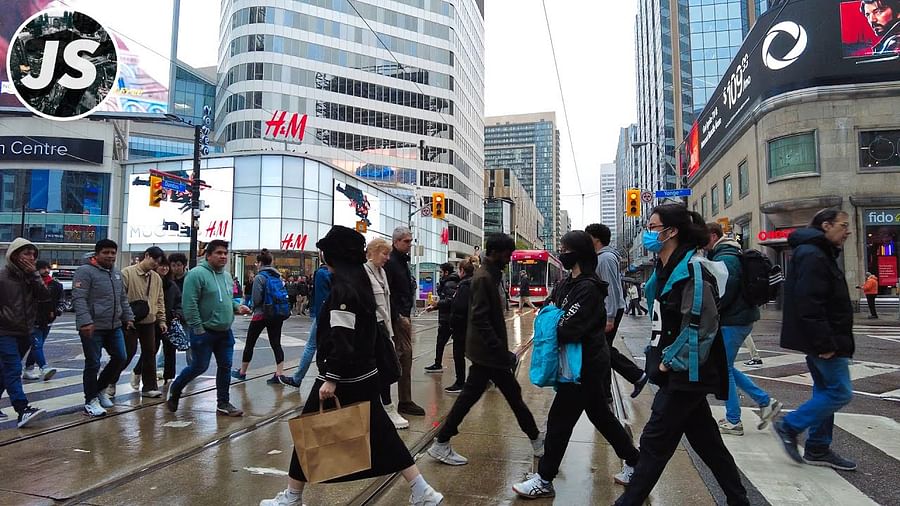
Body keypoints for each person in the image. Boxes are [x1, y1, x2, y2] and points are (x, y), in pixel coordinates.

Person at [259, 226, 443, 506]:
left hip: (343, 377)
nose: (323, 258)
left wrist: (331, 378)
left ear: (335, 256)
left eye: (326, 253)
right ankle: (422, 490)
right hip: (364, 373)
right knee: (384, 434)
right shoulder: (360, 282)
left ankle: (292, 497)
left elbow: (342, 337)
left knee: (309, 433)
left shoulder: (343, 289)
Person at [615, 204, 748, 506]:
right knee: (708, 443)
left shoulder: (693, 269)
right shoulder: (666, 269)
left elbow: (701, 327)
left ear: (671, 231)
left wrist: (666, 361)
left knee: (654, 440)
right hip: (678, 370)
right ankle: (739, 500)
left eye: (652, 227)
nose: (648, 234)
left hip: (686, 371)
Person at [513, 231, 641, 499]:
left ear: (579, 253)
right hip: (577, 364)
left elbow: (567, 327)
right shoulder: (566, 284)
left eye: (565, 248)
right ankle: (634, 461)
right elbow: (546, 311)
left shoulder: (589, 287)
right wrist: (552, 317)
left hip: (584, 366)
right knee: (601, 417)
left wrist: (552, 318)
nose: (561, 252)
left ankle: (544, 479)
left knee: (559, 421)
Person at [427, 234, 543, 467]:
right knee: (512, 396)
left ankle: (441, 441)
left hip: (487, 354)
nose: (509, 259)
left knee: (474, 398)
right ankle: (537, 441)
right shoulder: (483, 278)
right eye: (507, 254)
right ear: (496, 253)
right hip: (488, 355)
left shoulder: (491, 275)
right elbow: (480, 318)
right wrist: (500, 351)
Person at [772, 209, 858, 471]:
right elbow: (809, 303)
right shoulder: (813, 254)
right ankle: (789, 426)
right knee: (840, 392)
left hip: (828, 337)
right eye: (843, 225)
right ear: (826, 225)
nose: (848, 231)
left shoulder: (816, 252)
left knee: (825, 391)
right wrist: (824, 343)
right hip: (827, 339)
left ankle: (818, 447)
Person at [706, 223, 782, 436]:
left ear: (713, 236)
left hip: (733, 321)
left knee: (724, 369)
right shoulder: (730, 252)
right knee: (726, 366)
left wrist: (712, 311)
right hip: (739, 319)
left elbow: (723, 293)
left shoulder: (725, 257)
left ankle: (734, 420)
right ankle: (765, 401)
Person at [166, 240, 251, 417]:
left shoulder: (226, 276)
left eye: (225, 253)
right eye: (219, 253)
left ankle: (223, 403)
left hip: (225, 331)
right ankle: (176, 388)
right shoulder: (196, 275)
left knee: (226, 366)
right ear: (208, 255)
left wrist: (236, 307)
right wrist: (198, 328)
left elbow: (226, 298)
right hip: (204, 331)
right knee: (199, 366)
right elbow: (189, 304)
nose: (223, 256)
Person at [73, 239, 135, 417]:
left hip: (114, 325)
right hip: (92, 327)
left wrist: (128, 317)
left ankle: (100, 390)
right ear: (97, 254)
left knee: (121, 357)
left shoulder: (115, 273)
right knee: (93, 363)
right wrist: (85, 321)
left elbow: (122, 298)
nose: (110, 256)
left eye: (113, 253)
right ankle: (90, 400)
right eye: (106, 252)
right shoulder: (85, 271)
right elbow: (79, 298)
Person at [586, 223, 648, 400]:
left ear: (596, 239)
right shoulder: (603, 257)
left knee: (601, 351)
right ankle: (608, 391)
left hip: (608, 312)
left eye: (587, 236)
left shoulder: (605, 259)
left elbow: (611, 289)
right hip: (608, 310)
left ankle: (636, 376)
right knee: (602, 351)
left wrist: (610, 317)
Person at [0, 238, 50, 428]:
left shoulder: (31, 278)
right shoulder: (2, 277)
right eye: (25, 254)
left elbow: (45, 297)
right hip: (5, 331)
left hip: (25, 331)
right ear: (14, 256)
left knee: (4, 371)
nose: (30, 258)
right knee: (13, 369)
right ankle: (22, 409)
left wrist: (34, 275)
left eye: (33, 254)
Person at [364, 237, 408, 429]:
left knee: (386, 369)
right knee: (383, 369)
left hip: (384, 328)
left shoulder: (381, 272)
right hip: (373, 329)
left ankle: (385, 407)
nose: (387, 258)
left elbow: (386, 304)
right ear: (372, 252)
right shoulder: (364, 272)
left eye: (388, 254)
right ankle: (387, 407)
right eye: (384, 253)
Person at [233, 249, 292, 385]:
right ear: (271, 262)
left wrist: (251, 307)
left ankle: (242, 372)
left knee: (250, 343)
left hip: (261, 314)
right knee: (276, 343)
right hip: (276, 313)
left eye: (257, 262)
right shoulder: (277, 277)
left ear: (260, 263)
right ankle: (279, 373)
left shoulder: (260, 277)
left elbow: (256, 298)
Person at [384, 226, 424, 417]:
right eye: (406, 241)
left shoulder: (400, 261)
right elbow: (388, 291)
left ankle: (403, 401)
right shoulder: (391, 262)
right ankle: (400, 401)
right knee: (403, 356)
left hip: (402, 315)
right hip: (397, 317)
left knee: (404, 357)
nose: (409, 244)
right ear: (396, 241)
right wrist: (399, 315)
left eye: (410, 241)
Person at [120, 246, 167, 398]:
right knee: (127, 352)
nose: (156, 264)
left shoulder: (156, 278)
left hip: (149, 321)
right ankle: (110, 380)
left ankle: (149, 386)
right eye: (154, 260)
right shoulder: (127, 273)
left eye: (158, 262)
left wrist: (161, 320)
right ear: (146, 255)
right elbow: (121, 299)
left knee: (149, 352)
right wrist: (126, 318)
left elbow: (160, 300)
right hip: (131, 321)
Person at [292, 259, 332, 390]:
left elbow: (320, 296)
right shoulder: (334, 273)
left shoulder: (321, 273)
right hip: (330, 313)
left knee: (311, 346)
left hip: (323, 314)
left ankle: (297, 378)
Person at [22, 259, 61, 382]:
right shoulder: (29, 283)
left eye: (48, 268)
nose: (46, 270)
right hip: (33, 320)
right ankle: (44, 367)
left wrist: (56, 311)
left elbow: (60, 301)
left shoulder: (55, 284)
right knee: (37, 344)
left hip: (48, 320)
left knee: (37, 346)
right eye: (43, 268)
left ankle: (28, 368)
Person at [444, 258, 475, 394]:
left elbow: (460, 307)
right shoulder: (472, 283)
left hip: (462, 326)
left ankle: (460, 382)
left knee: (459, 354)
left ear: (462, 270)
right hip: (469, 325)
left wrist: (454, 322)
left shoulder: (464, 285)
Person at [152, 256, 183, 383]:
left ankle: (169, 376)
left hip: (169, 321)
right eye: (162, 265)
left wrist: (177, 314)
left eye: (166, 266)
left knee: (170, 349)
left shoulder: (171, 285)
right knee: (150, 350)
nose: (164, 268)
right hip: (152, 322)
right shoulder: (151, 281)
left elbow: (178, 302)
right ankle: (140, 373)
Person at [424, 263, 459, 374]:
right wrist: (435, 307)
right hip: (447, 317)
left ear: (446, 272)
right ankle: (437, 363)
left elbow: (450, 301)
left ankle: (438, 364)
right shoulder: (449, 282)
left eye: (441, 272)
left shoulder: (449, 284)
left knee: (442, 342)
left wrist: (437, 303)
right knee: (441, 342)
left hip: (447, 319)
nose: (440, 274)